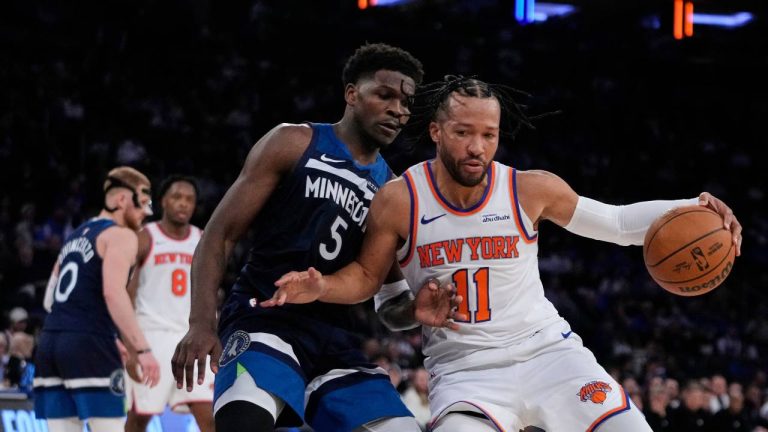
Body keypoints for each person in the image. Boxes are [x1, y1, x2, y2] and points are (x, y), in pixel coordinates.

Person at [265, 75, 743, 432]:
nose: (477, 147)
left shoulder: (529, 189)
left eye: (489, 135)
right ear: (435, 131)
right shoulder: (399, 200)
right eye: (463, 133)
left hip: (549, 353)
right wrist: (362, 296)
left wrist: (696, 207)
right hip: (464, 371)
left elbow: (618, 224)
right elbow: (378, 295)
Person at [171, 43, 461, 432]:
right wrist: (201, 322)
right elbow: (218, 236)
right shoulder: (293, 142)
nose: (398, 110)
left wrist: (414, 311)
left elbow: (389, 305)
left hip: (334, 341)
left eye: (407, 103)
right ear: (352, 94)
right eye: (385, 95)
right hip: (263, 318)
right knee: (244, 423)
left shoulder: (391, 191)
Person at [33, 166, 161, 432]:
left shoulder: (74, 236)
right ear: (122, 200)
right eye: (142, 204)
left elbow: (49, 300)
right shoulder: (121, 236)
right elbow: (113, 292)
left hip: (50, 343)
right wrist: (142, 350)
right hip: (88, 344)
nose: (145, 214)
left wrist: (106, 336)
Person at [124, 175, 215, 432]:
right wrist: (131, 348)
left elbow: (211, 292)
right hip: (152, 337)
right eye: (177, 197)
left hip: (191, 339)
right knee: (139, 418)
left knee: (209, 417)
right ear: (163, 201)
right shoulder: (145, 237)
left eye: (189, 199)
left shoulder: (203, 239)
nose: (183, 203)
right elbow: (126, 295)